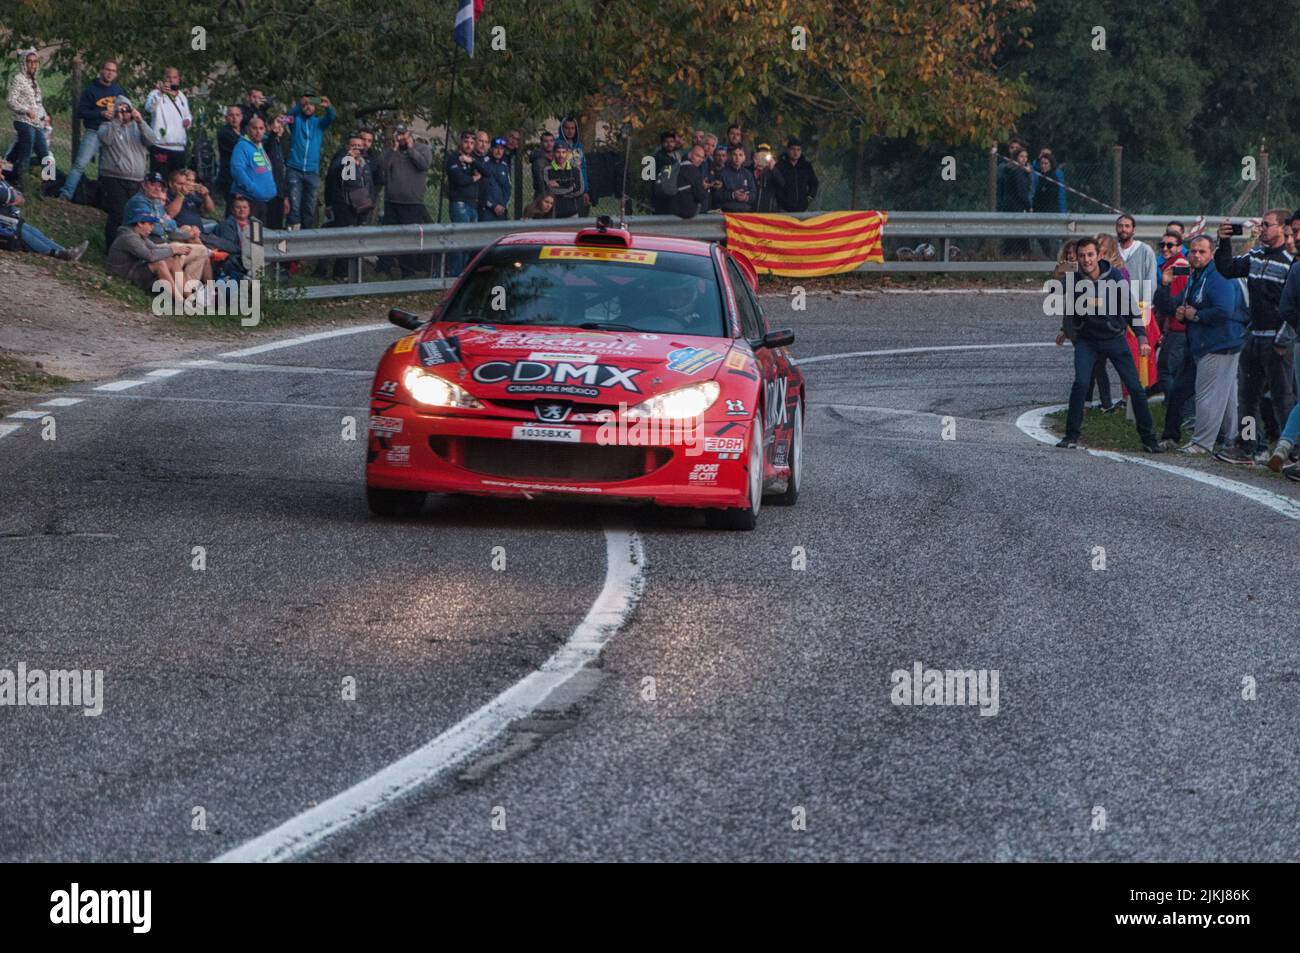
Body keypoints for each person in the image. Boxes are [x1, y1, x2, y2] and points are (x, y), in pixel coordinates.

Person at [1057, 236, 1161, 452]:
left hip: (1114, 338)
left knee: (1135, 388)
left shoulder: (1113, 276)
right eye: (1082, 256)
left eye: (1090, 255)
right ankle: (1071, 435)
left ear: (1099, 255)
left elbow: (1130, 307)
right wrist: (1059, 279)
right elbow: (1060, 303)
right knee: (1081, 384)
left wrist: (1141, 335)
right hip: (1087, 341)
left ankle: (1149, 439)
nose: (1086, 260)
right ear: (1077, 257)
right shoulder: (1073, 278)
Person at [1212, 210, 1296, 465]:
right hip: (1253, 337)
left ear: (1282, 228)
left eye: (1266, 225)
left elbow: (1293, 307)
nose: (1261, 230)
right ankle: (1247, 446)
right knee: (1247, 397)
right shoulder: (1255, 256)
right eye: (1260, 225)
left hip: (1277, 341)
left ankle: (1289, 452)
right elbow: (1227, 269)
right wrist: (1224, 242)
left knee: (1283, 398)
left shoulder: (1290, 262)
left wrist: (1283, 339)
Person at [1159, 235, 1250, 455]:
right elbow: (1176, 303)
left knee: (1207, 394)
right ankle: (1233, 439)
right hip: (1210, 341)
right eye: (1194, 251)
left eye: (1202, 252)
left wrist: (1196, 315)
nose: (1197, 255)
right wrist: (1181, 310)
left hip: (1220, 341)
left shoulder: (1217, 274)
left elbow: (1224, 310)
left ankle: (1202, 443)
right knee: (1228, 396)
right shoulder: (1197, 275)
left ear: (1212, 253)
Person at [106, 208, 210, 306]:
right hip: (123, 274)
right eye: (150, 224)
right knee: (159, 264)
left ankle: (190, 297)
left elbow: (155, 247)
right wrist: (173, 250)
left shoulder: (139, 235)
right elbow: (150, 256)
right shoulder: (129, 238)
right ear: (140, 223)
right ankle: (180, 301)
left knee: (172, 260)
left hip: (134, 268)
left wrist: (176, 251)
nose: (152, 228)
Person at [97, 96, 159, 250]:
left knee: (134, 216)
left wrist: (140, 121)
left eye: (127, 109)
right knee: (118, 213)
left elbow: (152, 140)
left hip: (136, 178)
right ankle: (111, 250)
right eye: (121, 109)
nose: (125, 113)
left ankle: (130, 249)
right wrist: (117, 120)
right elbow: (105, 139)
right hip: (114, 176)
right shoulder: (107, 126)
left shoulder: (138, 127)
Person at [59, 59, 124, 202]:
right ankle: (66, 194)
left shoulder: (118, 91)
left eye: (113, 71)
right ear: (101, 70)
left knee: (107, 170)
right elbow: (81, 112)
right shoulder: (91, 90)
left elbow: (126, 109)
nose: (109, 73)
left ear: (116, 74)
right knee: (80, 164)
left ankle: (101, 200)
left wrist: (119, 113)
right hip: (94, 131)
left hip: (111, 132)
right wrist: (99, 113)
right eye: (107, 69)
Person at [0, 164, 87, 260]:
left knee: (33, 231)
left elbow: (19, 197)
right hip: (4, 224)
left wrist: (13, 195)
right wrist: (13, 196)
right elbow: (10, 196)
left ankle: (63, 250)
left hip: (9, 220)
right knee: (23, 234)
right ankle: (57, 253)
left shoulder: (2, 182)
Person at [379, 124, 433, 277]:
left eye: (404, 134)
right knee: (389, 237)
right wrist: (395, 148)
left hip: (412, 203)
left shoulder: (422, 149)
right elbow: (384, 166)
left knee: (409, 239)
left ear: (410, 134)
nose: (401, 137)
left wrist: (410, 148)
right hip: (392, 201)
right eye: (399, 133)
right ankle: (384, 268)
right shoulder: (392, 151)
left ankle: (408, 271)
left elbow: (423, 164)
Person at [319, 133, 375, 279]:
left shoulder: (364, 163)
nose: (357, 149)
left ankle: (344, 272)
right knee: (344, 238)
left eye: (360, 146)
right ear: (347, 147)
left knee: (351, 239)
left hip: (361, 207)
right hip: (344, 206)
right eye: (354, 146)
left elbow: (369, 185)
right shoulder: (343, 160)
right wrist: (349, 160)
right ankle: (339, 273)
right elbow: (343, 179)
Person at [1150, 231, 1190, 401]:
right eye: (1162, 245)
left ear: (1180, 247)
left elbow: (1174, 303)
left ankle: (1175, 409)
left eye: (1170, 245)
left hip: (1179, 328)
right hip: (1175, 327)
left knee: (1166, 370)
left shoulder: (1178, 266)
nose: (1165, 249)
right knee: (1171, 369)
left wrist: (1164, 287)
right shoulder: (1172, 264)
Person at [285, 93, 335, 229]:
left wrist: (328, 106)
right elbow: (286, 118)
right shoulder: (296, 121)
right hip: (295, 168)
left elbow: (332, 117)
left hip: (312, 171)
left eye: (311, 104)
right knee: (294, 206)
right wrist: (298, 105)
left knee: (309, 207)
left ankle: (306, 236)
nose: (308, 107)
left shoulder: (318, 123)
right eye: (305, 104)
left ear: (315, 107)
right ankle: (292, 234)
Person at [5, 49, 50, 191]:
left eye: (35, 62)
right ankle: (21, 183)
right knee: (27, 149)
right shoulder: (19, 79)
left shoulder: (34, 81)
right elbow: (11, 101)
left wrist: (45, 115)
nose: (32, 65)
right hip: (23, 121)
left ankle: (49, 184)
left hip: (36, 123)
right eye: (29, 62)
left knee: (44, 153)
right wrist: (25, 110)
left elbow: (37, 103)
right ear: (24, 63)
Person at [446, 129, 486, 275]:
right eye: (466, 142)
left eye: (472, 142)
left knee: (470, 244)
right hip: (459, 204)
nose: (469, 145)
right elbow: (459, 180)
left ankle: (465, 275)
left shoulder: (473, 160)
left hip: (473, 205)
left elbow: (487, 173)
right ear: (461, 142)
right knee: (460, 242)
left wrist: (473, 161)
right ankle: (456, 275)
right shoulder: (453, 158)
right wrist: (474, 178)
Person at [123, 171, 204, 243]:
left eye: (159, 186)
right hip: (144, 242)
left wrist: (162, 223)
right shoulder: (139, 201)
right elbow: (154, 229)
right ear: (144, 185)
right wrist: (163, 223)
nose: (157, 189)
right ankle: (208, 254)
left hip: (161, 237)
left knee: (187, 230)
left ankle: (209, 254)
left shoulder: (156, 201)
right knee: (185, 242)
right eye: (153, 185)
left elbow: (172, 223)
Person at [143, 66, 191, 176]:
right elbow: (149, 108)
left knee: (178, 181)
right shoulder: (154, 93)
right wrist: (160, 93)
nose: (171, 80)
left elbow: (187, 115)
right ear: (164, 78)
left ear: (178, 79)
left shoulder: (182, 97)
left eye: (174, 77)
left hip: (178, 146)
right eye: (168, 77)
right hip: (161, 145)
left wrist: (188, 121)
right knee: (160, 180)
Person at [229, 115, 277, 221]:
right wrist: (253, 189)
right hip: (249, 201)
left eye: (261, 128)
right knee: (251, 235)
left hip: (264, 202)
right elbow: (237, 171)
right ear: (247, 129)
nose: (258, 131)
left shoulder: (259, 146)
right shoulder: (242, 146)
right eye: (254, 128)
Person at [205, 193, 258, 276]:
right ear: (232, 210)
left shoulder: (255, 224)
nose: (242, 210)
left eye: (245, 207)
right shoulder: (226, 225)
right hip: (236, 258)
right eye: (238, 207)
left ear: (249, 209)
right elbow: (229, 246)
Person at [770, 137, 818, 213]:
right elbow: (775, 184)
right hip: (783, 210)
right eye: (793, 149)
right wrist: (781, 199)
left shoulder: (806, 166)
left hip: (802, 209)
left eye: (798, 149)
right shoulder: (779, 165)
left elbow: (814, 183)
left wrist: (810, 197)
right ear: (788, 150)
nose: (796, 152)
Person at [261, 113, 291, 229]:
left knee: (278, 226)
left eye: (282, 124)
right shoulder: (264, 142)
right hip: (268, 192)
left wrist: (285, 197)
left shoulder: (282, 145)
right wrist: (273, 132)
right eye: (277, 122)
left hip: (279, 192)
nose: (280, 126)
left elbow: (282, 172)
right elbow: (268, 146)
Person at [555, 117, 590, 213]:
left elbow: (583, 168)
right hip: (562, 192)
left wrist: (585, 190)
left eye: (572, 128)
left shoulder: (579, 146)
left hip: (579, 190)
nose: (570, 131)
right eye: (567, 128)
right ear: (562, 129)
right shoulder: (556, 144)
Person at [542, 142, 585, 218]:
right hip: (553, 214)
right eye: (558, 152)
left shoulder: (576, 170)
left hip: (573, 213)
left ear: (568, 153)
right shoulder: (547, 170)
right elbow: (550, 191)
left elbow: (580, 190)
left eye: (563, 152)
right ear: (553, 153)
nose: (561, 155)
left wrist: (560, 186)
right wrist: (571, 187)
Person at [713, 146, 757, 213]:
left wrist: (746, 197)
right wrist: (733, 195)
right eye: (734, 154)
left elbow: (754, 193)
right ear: (730, 156)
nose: (737, 158)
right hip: (726, 212)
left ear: (744, 157)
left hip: (745, 213)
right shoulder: (721, 174)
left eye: (740, 155)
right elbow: (717, 195)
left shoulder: (748, 174)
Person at [479, 136, 511, 222]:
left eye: (501, 149)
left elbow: (508, 188)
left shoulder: (504, 166)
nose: (499, 151)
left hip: (502, 210)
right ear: (491, 149)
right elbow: (482, 189)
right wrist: (493, 205)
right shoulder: (483, 163)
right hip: (487, 210)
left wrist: (504, 205)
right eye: (496, 148)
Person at [672, 145, 708, 220]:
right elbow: (700, 196)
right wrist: (705, 188)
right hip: (687, 213)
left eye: (702, 157)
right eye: (697, 156)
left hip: (671, 210)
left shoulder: (677, 167)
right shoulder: (694, 171)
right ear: (690, 155)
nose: (700, 160)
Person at [650, 131, 681, 214]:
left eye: (671, 142)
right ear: (662, 143)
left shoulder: (676, 156)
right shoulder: (658, 157)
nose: (669, 144)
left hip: (673, 196)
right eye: (666, 142)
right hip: (660, 197)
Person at [529, 130, 556, 197]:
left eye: (551, 141)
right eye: (546, 141)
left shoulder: (557, 156)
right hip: (544, 195)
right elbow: (539, 182)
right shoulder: (539, 160)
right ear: (541, 143)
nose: (549, 144)